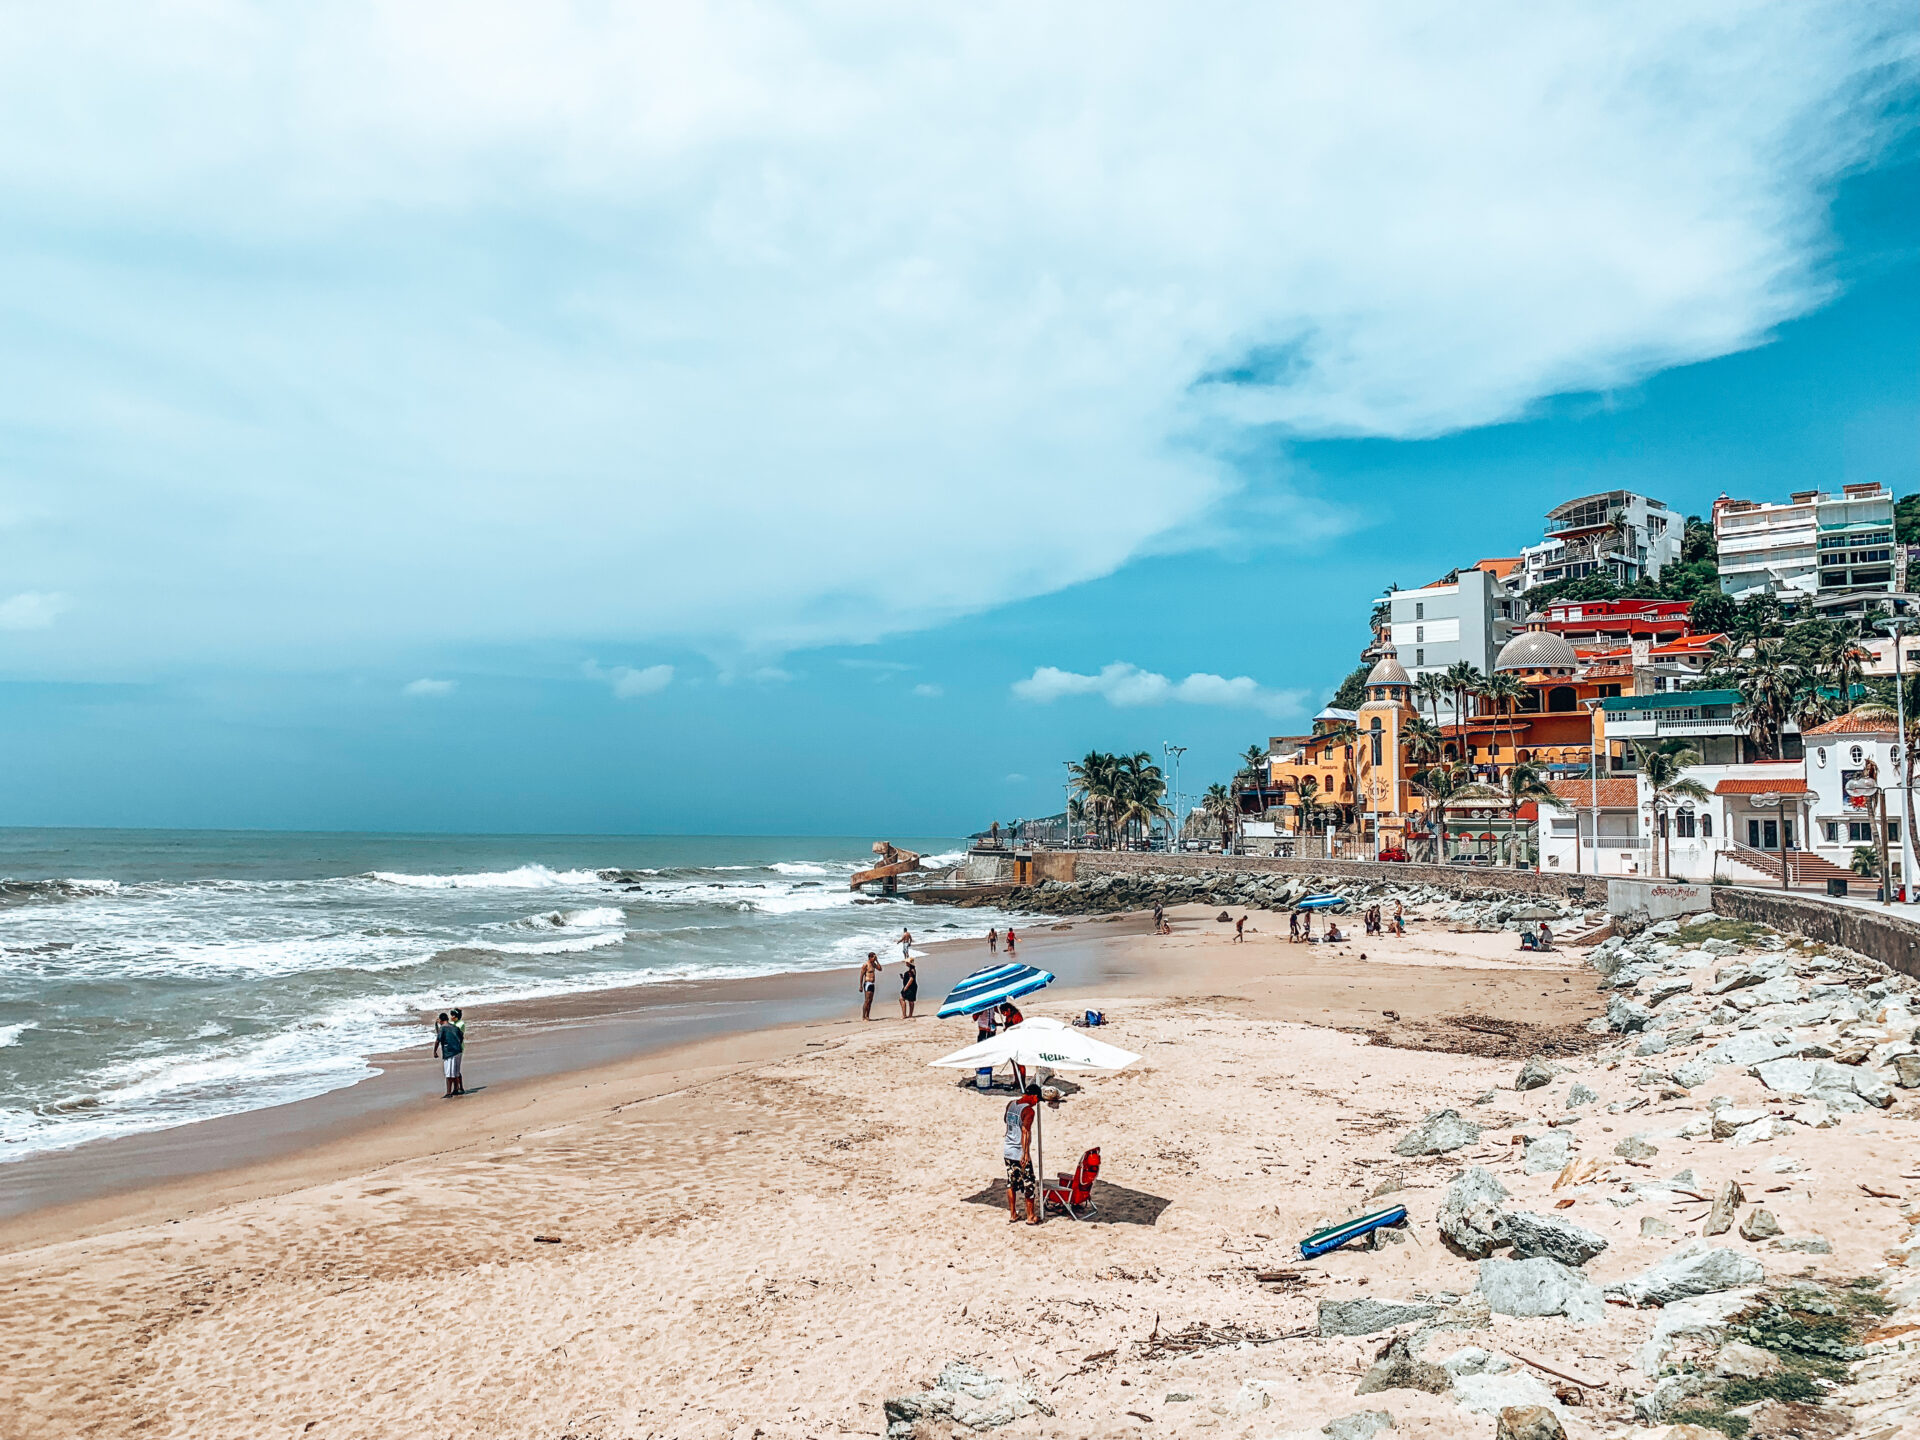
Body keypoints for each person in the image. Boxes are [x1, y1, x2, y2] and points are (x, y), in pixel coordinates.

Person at [1003, 1081, 1042, 1226]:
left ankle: (1013, 1214)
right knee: (1028, 1183)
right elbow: (1025, 1132)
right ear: (1032, 1096)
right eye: (1037, 1099)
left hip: (1007, 1149)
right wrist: (1025, 1153)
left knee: (1011, 1182)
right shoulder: (1029, 1111)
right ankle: (1030, 1216)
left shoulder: (1011, 1104)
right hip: (1019, 1151)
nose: (1036, 1103)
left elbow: (1005, 1120)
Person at [431, 1010, 464, 1098]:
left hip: (450, 1052)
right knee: (456, 1072)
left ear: (441, 1020)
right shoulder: (454, 1027)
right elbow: (461, 1036)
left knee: (449, 1074)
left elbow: (438, 1039)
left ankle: (449, 1092)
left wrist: (434, 1051)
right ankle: (456, 1089)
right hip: (458, 1051)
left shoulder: (443, 1028)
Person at [859, 952, 882, 1021]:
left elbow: (880, 969)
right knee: (867, 1000)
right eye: (874, 957)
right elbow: (861, 975)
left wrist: (877, 961)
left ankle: (867, 1016)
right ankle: (863, 1016)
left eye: (875, 958)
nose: (874, 959)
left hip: (872, 983)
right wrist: (860, 986)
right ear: (870, 957)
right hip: (867, 983)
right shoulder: (866, 965)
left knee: (870, 1001)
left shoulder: (873, 964)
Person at [899, 954, 918, 1018]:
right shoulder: (912, 969)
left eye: (907, 962)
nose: (906, 963)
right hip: (912, 987)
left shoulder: (911, 970)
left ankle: (904, 1015)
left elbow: (911, 979)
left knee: (902, 999)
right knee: (910, 1000)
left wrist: (906, 987)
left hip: (910, 987)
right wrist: (903, 978)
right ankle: (910, 1015)